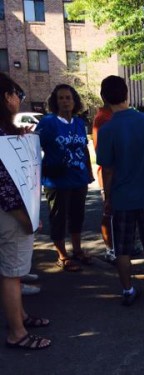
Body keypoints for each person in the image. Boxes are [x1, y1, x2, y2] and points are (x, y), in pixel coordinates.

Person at [96, 75, 144, 306]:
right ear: (127, 94)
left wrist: (108, 197)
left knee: (123, 249)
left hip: (123, 199)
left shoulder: (107, 129)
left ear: (104, 97)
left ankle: (128, 291)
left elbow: (107, 170)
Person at [0, 72, 51, 350]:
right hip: (11, 217)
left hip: (10, 215)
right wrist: (27, 219)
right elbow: (6, 189)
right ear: (6, 98)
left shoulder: (5, 134)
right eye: (16, 95)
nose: (18, 101)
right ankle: (17, 333)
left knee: (10, 272)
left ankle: (20, 317)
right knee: (12, 273)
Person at [37, 84, 94, 272]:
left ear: (74, 100)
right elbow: (35, 146)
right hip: (57, 181)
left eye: (68, 98)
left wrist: (89, 173)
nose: (65, 101)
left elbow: (84, 147)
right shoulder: (48, 122)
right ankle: (62, 256)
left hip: (78, 178)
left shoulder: (79, 122)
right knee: (58, 218)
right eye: (60, 98)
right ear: (55, 101)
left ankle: (77, 250)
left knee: (77, 216)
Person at [91, 102, 116, 263]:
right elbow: (102, 154)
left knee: (119, 214)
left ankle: (117, 246)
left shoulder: (113, 116)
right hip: (109, 175)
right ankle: (110, 249)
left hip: (122, 174)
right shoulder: (102, 118)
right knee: (109, 213)